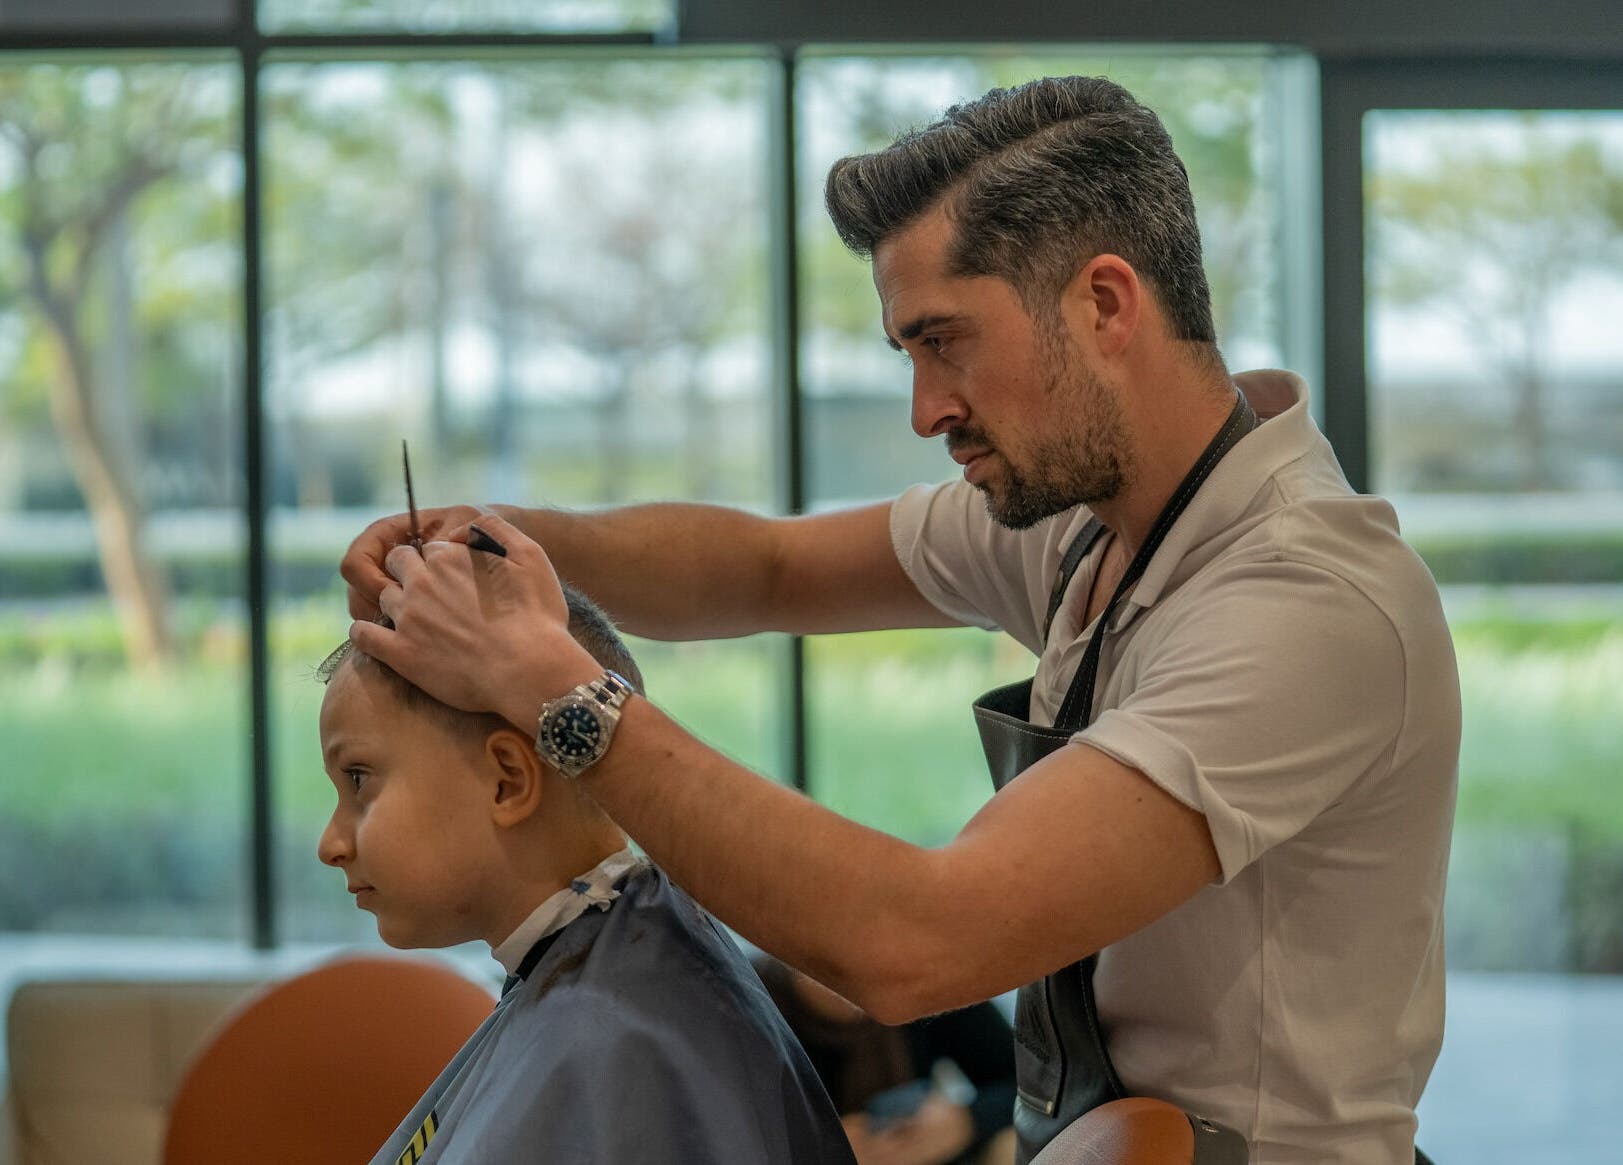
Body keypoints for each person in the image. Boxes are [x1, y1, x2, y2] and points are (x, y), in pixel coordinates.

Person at [339, 75, 1461, 1165]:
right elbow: (768, 568)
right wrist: (494, 543)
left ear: (1105, 304)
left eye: (944, 341)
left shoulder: (1306, 602)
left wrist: (550, 685)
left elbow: (919, 940)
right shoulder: (1087, 522)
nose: (927, 409)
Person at [315, 585, 857, 1165]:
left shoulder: (624, 1042)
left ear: (507, 782)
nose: (330, 845)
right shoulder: (617, 970)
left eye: (359, 780)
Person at [753, 954, 1017, 1165]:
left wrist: (965, 1121)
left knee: (1012, 1142)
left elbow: (1024, 1081)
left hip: (922, 1149)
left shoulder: (925, 981)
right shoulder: (751, 1001)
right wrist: (816, 1148)